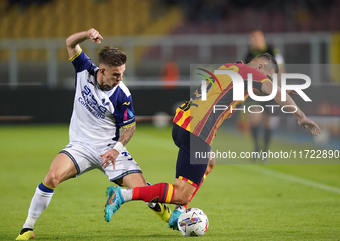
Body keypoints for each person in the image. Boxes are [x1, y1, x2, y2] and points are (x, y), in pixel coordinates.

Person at [103, 53, 321, 229]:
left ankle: (179, 212)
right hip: (197, 132)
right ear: (261, 67)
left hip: (183, 125)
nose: (267, 81)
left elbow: (252, 90)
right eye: (269, 77)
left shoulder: (231, 67)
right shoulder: (250, 73)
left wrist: (277, 90)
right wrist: (300, 115)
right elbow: (267, 89)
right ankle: (123, 194)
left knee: (209, 162)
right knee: (180, 193)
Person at [15, 28, 171, 241]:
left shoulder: (122, 94)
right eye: (116, 74)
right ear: (102, 70)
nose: (119, 78)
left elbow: (130, 127)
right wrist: (87, 34)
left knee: (142, 190)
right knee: (51, 178)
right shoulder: (84, 69)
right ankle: (27, 228)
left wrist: (116, 150)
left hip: (110, 150)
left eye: (122, 73)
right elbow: (70, 42)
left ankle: (166, 214)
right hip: (80, 146)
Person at [245, 30, 286, 157]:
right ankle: (257, 147)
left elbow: (281, 70)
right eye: (252, 39)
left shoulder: (273, 51)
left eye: (256, 39)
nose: (254, 41)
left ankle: (265, 151)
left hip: (271, 91)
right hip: (256, 91)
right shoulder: (249, 54)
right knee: (254, 119)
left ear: (262, 39)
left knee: (269, 121)